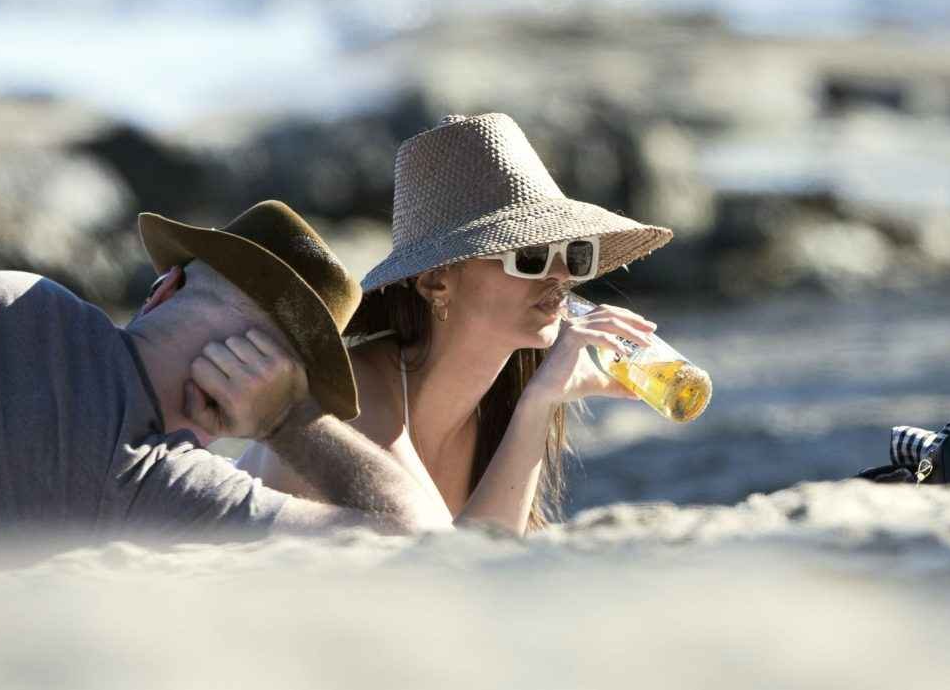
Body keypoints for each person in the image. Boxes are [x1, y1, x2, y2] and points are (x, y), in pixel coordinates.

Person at [235, 114, 674, 535]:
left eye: (576, 255)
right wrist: (538, 404)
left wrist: (538, 400)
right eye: (531, 257)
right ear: (435, 282)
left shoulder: (499, 402)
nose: (560, 276)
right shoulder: (353, 395)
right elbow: (455, 564)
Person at [0, 200, 450, 542]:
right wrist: (290, 420)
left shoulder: (6, 297)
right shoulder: (156, 482)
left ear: (164, 289)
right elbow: (423, 541)